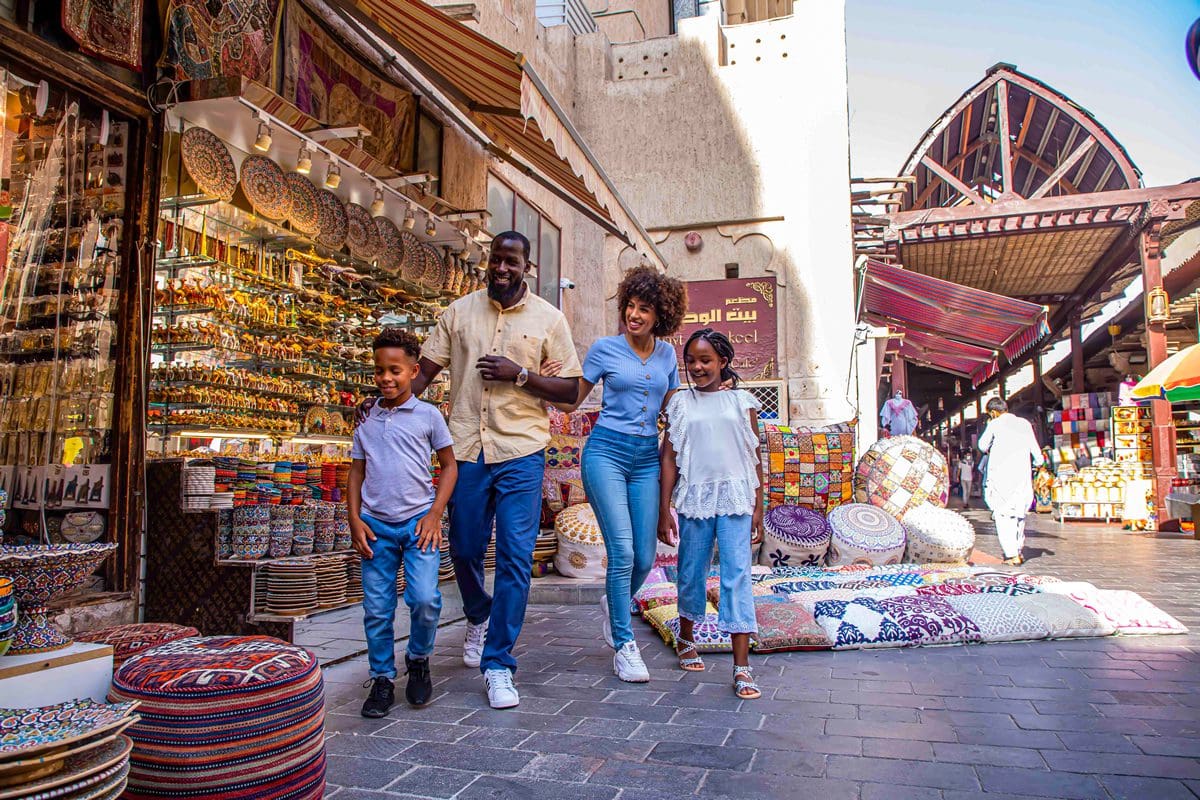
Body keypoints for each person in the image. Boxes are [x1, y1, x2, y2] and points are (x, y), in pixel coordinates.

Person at [362, 231, 581, 709]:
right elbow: (423, 373)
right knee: (461, 547)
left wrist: (519, 375)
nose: (502, 269)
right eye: (496, 261)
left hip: (521, 449)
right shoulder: (458, 313)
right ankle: (478, 613)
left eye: (512, 262)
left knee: (515, 558)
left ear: (527, 268)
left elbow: (570, 391)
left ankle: (499, 663)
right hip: (465, 449)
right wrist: (385, 402)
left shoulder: (550, 319)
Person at [548, 265, 687, 683]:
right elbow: (573, 400)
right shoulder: (605, 349)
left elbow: (675, 410)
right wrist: (546, 379)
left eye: (644, 308)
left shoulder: (667, 355)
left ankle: (615, 600)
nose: (634, 314)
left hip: (646, 459)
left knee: (646, 557)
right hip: (606, 453)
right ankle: (625, 645)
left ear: (660, 315)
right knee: (622, 551)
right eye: (630, 305)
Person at [349, 328, 458, 717]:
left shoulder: (429, 416)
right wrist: (354, 520)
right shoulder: (365, 417)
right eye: (379, 370)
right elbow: (356, 473)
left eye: (395, 370)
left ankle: (418, 658)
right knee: (377, 608)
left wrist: (434, 515)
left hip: (418, 524)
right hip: (375, 524)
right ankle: (381, 678)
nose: (386, 378)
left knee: (425, 599)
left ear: (414, 370)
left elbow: (449, 467)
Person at [658, 329, 764, 700]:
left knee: (738, 576)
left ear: (722, 362)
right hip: (695, 499)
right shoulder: (680, 403)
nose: (698, 367)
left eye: (706, 360)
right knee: (691, 571)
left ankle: (742, 667)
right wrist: (663, 508)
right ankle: (686, 636)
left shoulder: (743, 401)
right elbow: (669, 457)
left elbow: (754, 456)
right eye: (691, 361)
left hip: (736, 498)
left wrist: (758, 508)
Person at [978, 397, 1044, 566]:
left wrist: (990, 427)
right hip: (1022, 475)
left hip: (1001, 476)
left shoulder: (994, 424)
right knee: (1019, 514)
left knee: (1003, 515)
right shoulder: (1024, 424)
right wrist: (1038, 463)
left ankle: (1011, 553)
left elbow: (982, 446)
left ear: (993, 413)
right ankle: (1018, 550)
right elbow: (1036, 451)